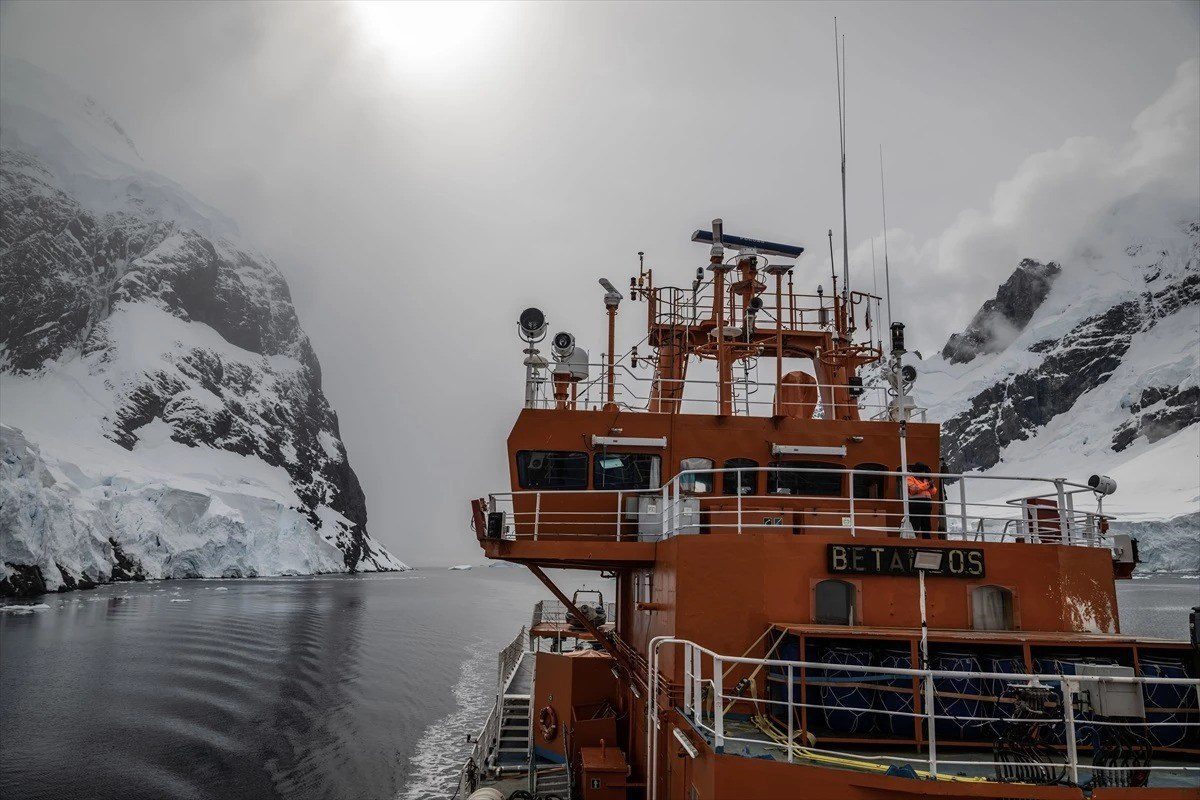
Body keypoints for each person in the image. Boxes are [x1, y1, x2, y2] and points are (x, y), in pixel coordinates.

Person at [906, 464, 938, 538]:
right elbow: (913, 489)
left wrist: (931, 485)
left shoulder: (926, 479)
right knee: (915, 524)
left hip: (926, 505)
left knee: (926, 525)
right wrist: (927, 484)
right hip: (916, 504)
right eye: (923, 471)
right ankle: (912, 541)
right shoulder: (910, 478)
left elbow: (933, 492)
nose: (925, 473)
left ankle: (927, 541)